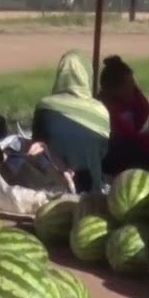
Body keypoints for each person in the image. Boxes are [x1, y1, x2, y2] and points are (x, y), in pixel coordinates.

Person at [31, 51, 111, 194]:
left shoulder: (44, 107)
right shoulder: (100, 112)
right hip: (91, 190)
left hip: (50, 190)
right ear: (87, 76)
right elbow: (102, 153)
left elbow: (35, 146)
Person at [97, 55, 149, 176]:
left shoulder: (128, 101)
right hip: (111, 154)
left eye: (133, 85)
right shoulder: (104, 108)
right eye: (129, 85)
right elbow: (128, 136)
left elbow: (144, 110)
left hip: (128, 145)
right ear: (114, 89)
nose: (133, 89)